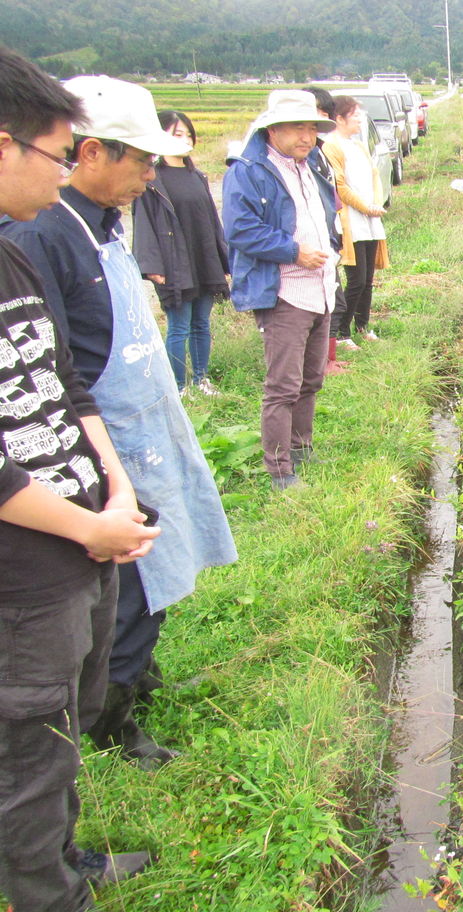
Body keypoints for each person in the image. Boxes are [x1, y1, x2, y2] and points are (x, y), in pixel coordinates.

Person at [0, 74, 238, 773]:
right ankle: (112, 718)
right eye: (139, 159)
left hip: (139, 421)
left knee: (155, 568)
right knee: (129, 583)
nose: (149, 173)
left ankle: (138, 680)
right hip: (100, 436)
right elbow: (53, 369)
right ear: (93, 152)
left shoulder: (104, 224)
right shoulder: (43, 233)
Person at [0, 47, 162, 912]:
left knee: (62, 722)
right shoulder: (30, 237)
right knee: (28, 745)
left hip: (80, 532)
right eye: (60, 153)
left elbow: (65, 384)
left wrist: (113, 486)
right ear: (4, 145)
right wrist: (83, 526)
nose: (67, 171)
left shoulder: (14, 259)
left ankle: (64, 860)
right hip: (25, 564)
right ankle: (48, 894)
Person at [222, 90, 341, 490]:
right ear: (272, 129)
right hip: (285, 291)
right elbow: (240, 229)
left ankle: (301, 447)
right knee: (283, 386)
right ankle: (279, 470)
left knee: (312, 378)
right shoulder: (249, 170)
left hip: (320, 287)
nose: (307, 136)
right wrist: (292, 251)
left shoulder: (310, 166)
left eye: (312, 128)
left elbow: (327, 214)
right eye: (297, 128)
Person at [131, 110, 230, 395]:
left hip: (203, 258)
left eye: (188, 134)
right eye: (177, 134)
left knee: (201, 322)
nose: (185, 139)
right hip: (175, 261)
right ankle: (179, 385)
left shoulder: (196, 175)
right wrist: (153, 265)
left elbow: (212, 220)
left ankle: (201, 379)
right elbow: (143, 223)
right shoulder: (152, 179)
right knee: (179, 326)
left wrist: (221, 260)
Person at [323, 95, 389, 350]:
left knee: (368, 279)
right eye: (356, 116)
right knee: (356, 279)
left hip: (370, 219)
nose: (361, 120)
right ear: (339, 119)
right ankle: (342, 332)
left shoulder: (358, 146)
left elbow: (374, 178)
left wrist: (376, 203)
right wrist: (365, 206)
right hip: (352, 220)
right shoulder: (332, 146)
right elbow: (340, 186)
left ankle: (363, 325)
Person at [300, 85, 350, 375]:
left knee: (333, 302)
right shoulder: (299, 158)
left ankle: (326, 361)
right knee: (324, 305)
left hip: (327, 240)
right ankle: (322, 364)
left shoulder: (320, 154)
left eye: (321, 117)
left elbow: (331, 199)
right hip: (309, 248)